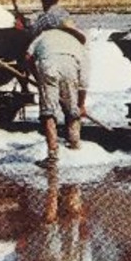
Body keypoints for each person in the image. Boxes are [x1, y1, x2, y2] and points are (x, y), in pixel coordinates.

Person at [28, 14, 90, 165]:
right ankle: (75, 144)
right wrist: (81, 105)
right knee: (72, 109)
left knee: (48, 111)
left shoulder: (44, 35)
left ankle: (53, 154)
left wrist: (37, 77)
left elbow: (27, 56)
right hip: (70, 67)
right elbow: (83, 81)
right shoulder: (77, 44)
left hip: (48, 66)